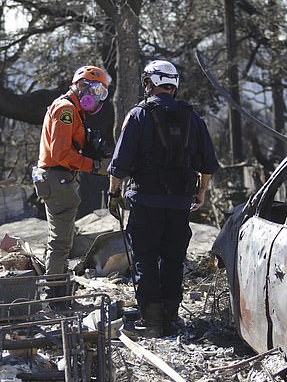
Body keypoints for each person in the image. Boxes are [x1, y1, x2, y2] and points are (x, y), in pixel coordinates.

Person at [107, 59, 219, 336]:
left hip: (145, 201)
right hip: (180, 203)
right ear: (173, 86)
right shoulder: (193, 117)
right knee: (173, 259)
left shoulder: (138, 115)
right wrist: (200, 193)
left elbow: (120, 162)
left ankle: (152, 319)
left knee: (145, 258)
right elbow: (207, 165)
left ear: (149, 83)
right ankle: (171, 315)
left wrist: (113, 193)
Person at [33, 65, 112, 301]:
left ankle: (56, 286)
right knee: (60, 242)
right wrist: (95, 166)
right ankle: (54, 294)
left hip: (61, 179)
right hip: (58, 178)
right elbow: (60, 154)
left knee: (62, 238)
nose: (96, 96)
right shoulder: (66, 110)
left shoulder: (72, 111)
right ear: (80, 85)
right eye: (94, 89)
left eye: (101, 92)